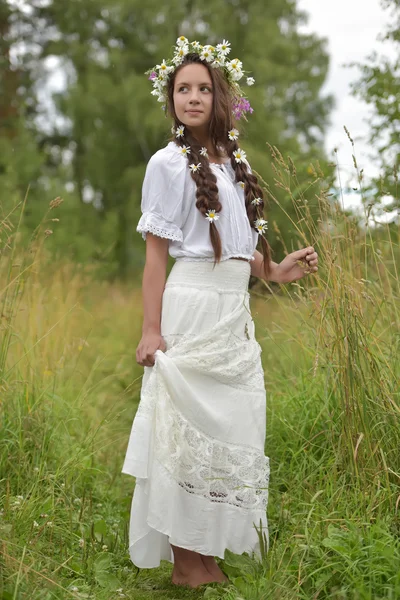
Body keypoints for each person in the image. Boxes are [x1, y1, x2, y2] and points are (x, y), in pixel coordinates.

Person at [122, 37, 318, 589]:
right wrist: (151, 330)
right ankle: (185, 561)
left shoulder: (234, 163)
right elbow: (157, 257)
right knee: (186, 430)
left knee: (229, 429)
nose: (192, 97)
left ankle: (207, 549)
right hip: (191, 307)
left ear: (219, 97)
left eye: (202, 88)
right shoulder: (166, 164)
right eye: (182, 89)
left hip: (233, 311)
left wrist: (275, 271)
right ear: (172, 100)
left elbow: (237, 245)